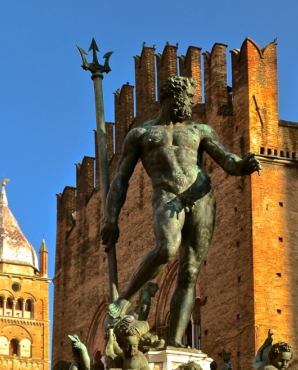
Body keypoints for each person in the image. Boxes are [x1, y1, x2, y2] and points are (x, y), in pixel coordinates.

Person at [101, 76, 262, 347]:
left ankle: (175, 343)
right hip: (167, 196)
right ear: (169, 97)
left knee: (189, 272)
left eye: (191, 98)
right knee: (167, 247)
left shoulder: (200, 131)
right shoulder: (142, 135)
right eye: (185, 98)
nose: (189, 103)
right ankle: (126, 297)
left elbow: (226, 160)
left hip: (201, 197)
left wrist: (243, 164)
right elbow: (120, 180)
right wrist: (111, 219)